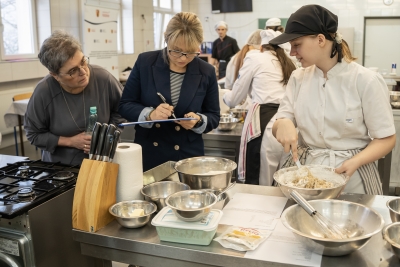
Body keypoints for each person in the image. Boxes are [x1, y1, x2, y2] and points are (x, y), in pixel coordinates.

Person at [270, 5, 396, 194]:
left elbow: (386, 138)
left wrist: (356, 161)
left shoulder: (365, 80)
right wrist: (282, 123)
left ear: (320, 39)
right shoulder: (298, 78)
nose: (292, 53)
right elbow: (280, 120)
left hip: (353, 175)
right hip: (305, 174)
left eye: (297, 45)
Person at [118, 12, 220, 172]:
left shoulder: (206, 71)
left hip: (188, 157)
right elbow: (125, 104)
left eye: (191, 52)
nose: (183, 58)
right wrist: (149, 114)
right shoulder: (146, 63)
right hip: (151, 154)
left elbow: (214, 115)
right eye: (176, 51)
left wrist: (198, 120)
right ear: (166, 39)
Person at [24, 30, 125, 166]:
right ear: (55, 75)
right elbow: (34, 134)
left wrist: (107, 137)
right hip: (60, 169)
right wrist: (70, 141)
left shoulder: (103, 78)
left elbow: (123, 109)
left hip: (102, 163)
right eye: (72, 71)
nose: (83, 72)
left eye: (83, 62)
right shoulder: (44, 92)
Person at [223, 29, 297, 185]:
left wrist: (224, 95)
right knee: (284, 183)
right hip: (289, 126)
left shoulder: (255, 58)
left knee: (261, 185)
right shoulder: (290, 63)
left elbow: (234, 99)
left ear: (261, 47)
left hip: (263, 126)